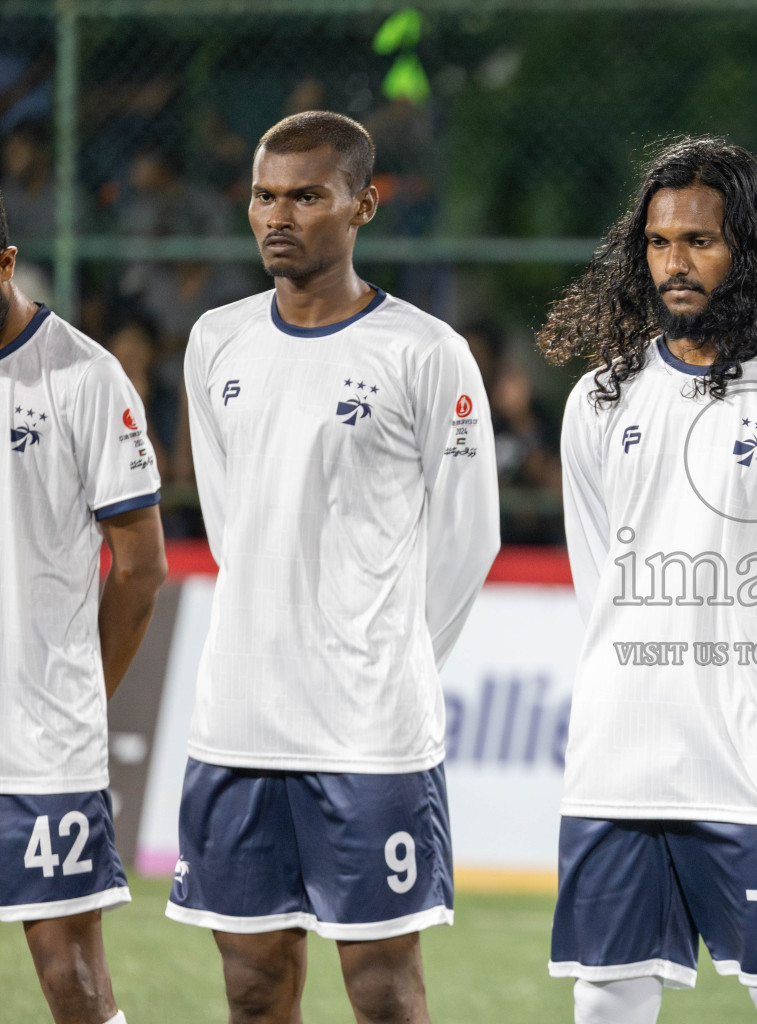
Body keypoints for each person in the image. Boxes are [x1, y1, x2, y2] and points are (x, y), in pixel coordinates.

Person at [538, 137, 757, 1024]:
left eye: (699, 240)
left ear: (749, 249)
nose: (675, 263)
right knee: (606, 996)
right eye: (658, 243)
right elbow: (599, 582)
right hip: (617, 763)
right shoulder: (600, 401)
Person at [167, 111, 500, 1024]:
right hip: (237, 721)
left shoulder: (427, 353)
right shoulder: (216, 341)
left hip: (368, 733)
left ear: (364, 205)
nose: (280, 215)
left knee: (385, 992)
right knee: (250, 989)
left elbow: (469, 540)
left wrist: (384, 655)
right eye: (265, 196)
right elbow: (234, 520)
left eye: (308, 196)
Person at [0, 194, 167, 1024]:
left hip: (41, 744)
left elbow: (140, 569)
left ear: (6, 265)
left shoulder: (83, 376)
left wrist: (77, 698)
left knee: (73, 983)